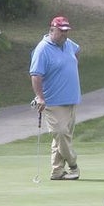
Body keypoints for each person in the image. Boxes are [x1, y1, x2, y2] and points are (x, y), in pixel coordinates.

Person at [30, 15, 82, 180]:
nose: (65, 35)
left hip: (72, 98)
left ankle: (57, 171)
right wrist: (39, 97)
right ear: (52, 30)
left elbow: (77, 51)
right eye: (62, 31)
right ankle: (73, 165)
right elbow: (36, 75)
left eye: (66, 31)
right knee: (60, 134)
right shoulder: (42, 49)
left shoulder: (68, 44)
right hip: (53, 101)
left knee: (61, 138)